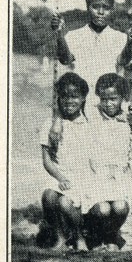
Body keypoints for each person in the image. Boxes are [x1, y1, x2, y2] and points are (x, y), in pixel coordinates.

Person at [85, 73, 132, 249]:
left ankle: (110, 235)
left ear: (122, 98)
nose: (108, 103)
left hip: (120, 179)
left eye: (113, 99)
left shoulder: (129, 121)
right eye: (104, 99)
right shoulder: (91, 115)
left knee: (120, 207)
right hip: (95, 177)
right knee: (102, 209)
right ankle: (93, 231)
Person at [37, 73, 93, 251]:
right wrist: (60, 177)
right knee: (49, 195)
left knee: (66, 203)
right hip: (60, 174)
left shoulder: (90, 124)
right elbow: (47, 160)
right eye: (65, 96)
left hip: (83, 176)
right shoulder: (50, 125)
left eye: (74, 96)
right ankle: (59, 236)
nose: (69, 101)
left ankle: (78, 236)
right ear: (59, 98)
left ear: (83, 98)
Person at [51, 0, 132, 96]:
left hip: (108, 104)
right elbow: (65, 60)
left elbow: (123, 61)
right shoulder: (73, 35)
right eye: (95, 7)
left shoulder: (120, 38)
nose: (101, 12)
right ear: (88, 7)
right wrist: (59, 34)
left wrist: (130, 41)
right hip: (80, 101)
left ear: (112, 10)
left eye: (106, 8)